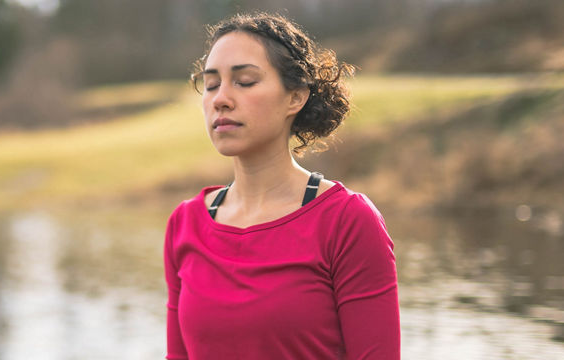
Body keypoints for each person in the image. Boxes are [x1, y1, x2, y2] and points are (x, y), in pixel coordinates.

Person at [163, 12, 400, 359]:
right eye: (211, 84)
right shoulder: (185, 225)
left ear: (296, 97)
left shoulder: (346, 221)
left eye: (244, 81)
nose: (221, 99)